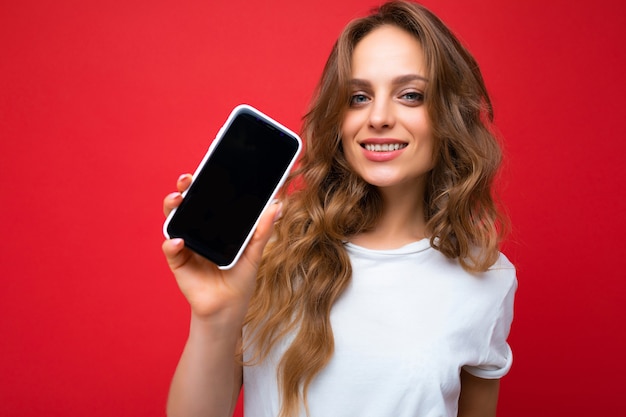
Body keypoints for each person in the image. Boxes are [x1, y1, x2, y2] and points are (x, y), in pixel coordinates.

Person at [162, 1, 517, 416]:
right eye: (359, 97)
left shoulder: (487, 278)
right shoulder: (269, 246)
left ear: (449, 114)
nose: (379, 117)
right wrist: (213, 318)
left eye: (410, 95)